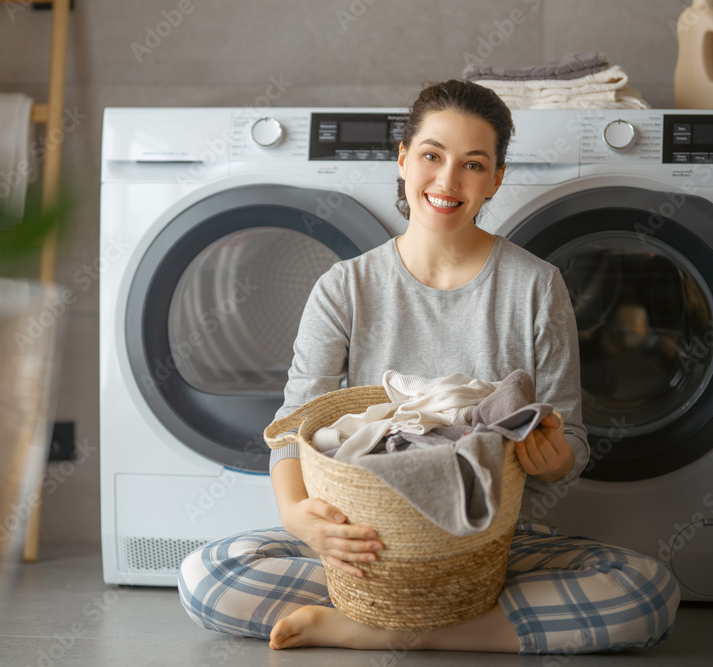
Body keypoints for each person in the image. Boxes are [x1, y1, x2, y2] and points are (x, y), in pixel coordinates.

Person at [178, 79, 680, 654]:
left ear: (496, 179)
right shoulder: (345, 286)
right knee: (206, 576)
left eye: (472, 164)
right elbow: (295, 426)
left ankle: (375, 630)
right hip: (370, 543)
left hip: (494, 542)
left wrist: (554, 455)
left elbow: (573, 444)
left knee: (647, 591)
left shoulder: (537, 286)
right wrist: (299, 519)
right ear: (403, 159)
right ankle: (467, 630)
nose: (447, 181)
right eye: (432, 156)